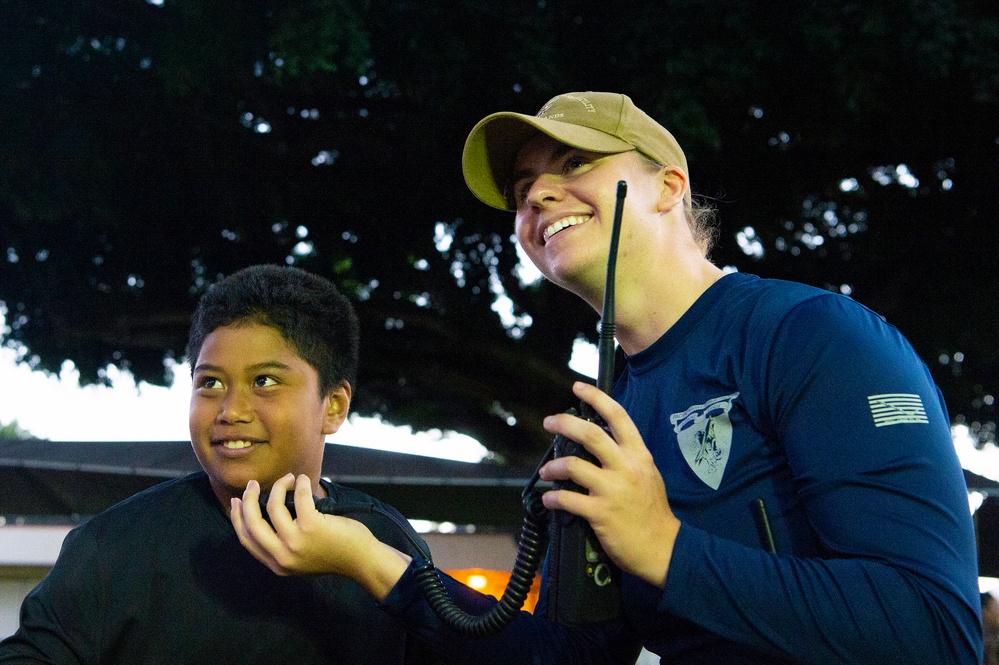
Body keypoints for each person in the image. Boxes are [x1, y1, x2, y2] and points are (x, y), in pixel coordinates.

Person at [231, 93, 983, 663]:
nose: (535, 195)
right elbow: (568, 657)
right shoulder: (603, 416)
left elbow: (933, 629)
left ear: (666, 187)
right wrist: (373, 560)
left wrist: (661, 545)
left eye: (575, 163)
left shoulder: (811, 337)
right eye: (523, 186)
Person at [0, 264, 433, 664]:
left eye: (264, 381)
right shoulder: (112, 546)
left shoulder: (383, 543)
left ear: (333, 406)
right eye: (210, 382)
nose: (231, 410)